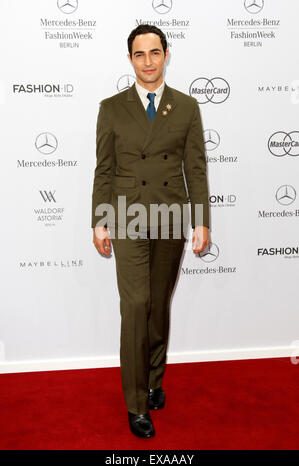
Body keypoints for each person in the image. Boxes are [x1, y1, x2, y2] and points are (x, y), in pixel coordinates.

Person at [91, 24, 210, 438]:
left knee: (158, 304)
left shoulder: (187, 106)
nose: (148, 61)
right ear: (130, 59)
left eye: (154, 53)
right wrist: (99, 220)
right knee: (136, 305)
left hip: (171, 216)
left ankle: (155, 377)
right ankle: (137, 401)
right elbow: (104, 168)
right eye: (139, 54)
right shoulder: (111, 107)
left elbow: (194, 167)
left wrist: (201, 220)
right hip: (126, 215)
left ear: (166, 54)